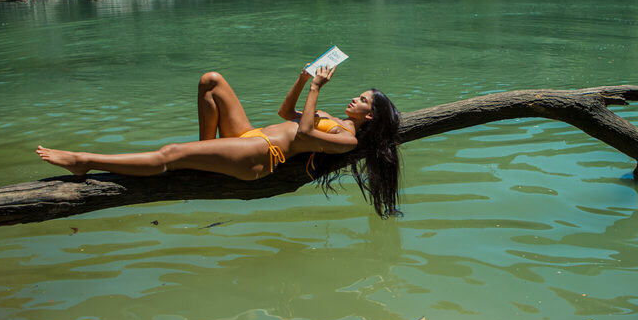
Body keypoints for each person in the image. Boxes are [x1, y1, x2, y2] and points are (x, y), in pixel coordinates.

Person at [36, 66, 403, 218]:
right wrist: (302, 78)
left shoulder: (348, 138)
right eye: (358, 96)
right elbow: (284, 112)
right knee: (211, 81)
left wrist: (317, 89)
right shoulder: (337, 121)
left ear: (369, 117)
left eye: (363, 100)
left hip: (259, 155)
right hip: (249, 137)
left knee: (170, 153)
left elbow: (304, 134)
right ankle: (203, 156)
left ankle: (85, 160)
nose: (355, 99)